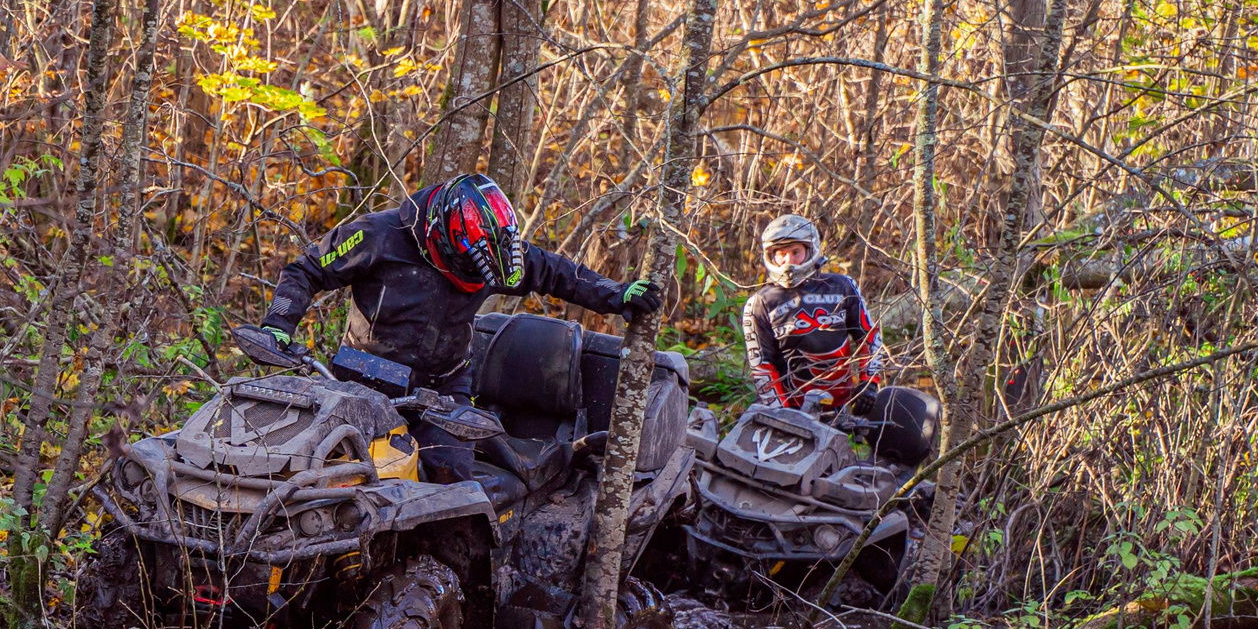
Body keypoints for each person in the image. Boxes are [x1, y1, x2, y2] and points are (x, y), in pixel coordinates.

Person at [259, 172, 662, 480]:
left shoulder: (497, 250)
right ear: (440, 237)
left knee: (452, 484)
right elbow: (306, 270)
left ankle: (432, 578)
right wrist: (278, 323)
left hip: (442, 387)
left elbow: (559, 273)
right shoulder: (378, 236)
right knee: (326, 471)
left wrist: (617, 293)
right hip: (362, 374)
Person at [740, 214, 884, 409]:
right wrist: (781, 414)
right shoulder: (760, 303)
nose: (788, 261)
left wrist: (868, 384)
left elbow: (869, 337)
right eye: (781, 254)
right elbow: (762, 366)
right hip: (789, 408)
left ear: (810, 250)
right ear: (771, 255)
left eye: (796, 252)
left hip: (839, 408)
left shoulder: (842, 286)